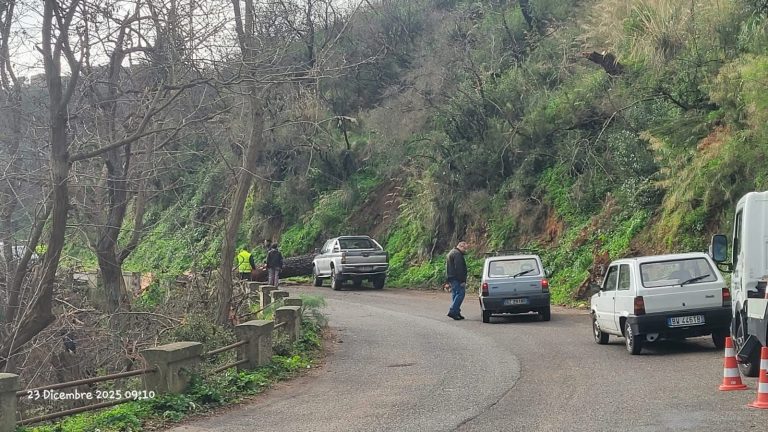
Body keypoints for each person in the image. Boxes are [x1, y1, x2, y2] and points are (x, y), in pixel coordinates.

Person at [446, 241, 469, 320]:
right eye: (465, 249)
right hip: (457, 278)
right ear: (461, 246)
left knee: (455, 294)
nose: (465, 251)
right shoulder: (457, 254)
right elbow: (459, 268)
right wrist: (462, 280)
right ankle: (453, 311)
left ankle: (456, 312)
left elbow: (448, 268)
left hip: (451, 277)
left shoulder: (451, 253)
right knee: (460, 294)